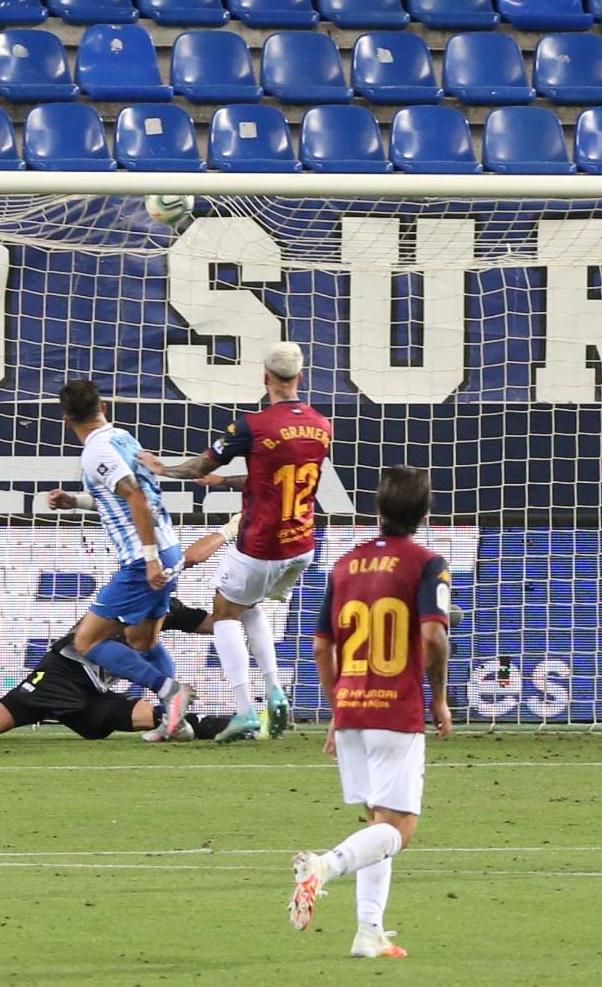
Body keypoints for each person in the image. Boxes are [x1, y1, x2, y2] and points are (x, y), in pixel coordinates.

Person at [0, 517, 242, 746]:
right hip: (59, 675)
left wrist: (245, 607)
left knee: (172, 724)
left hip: (93, 694)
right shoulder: (120, 601)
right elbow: (182, 562)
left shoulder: (164, 606)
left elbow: (214, 623)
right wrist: (231, 528)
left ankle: (244, 723)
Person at [289, 466, 452, 959]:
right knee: (399, 829)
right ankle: (326, 866)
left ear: (378, 511)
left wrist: (337, 705)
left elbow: (321, 646)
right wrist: (439, 697)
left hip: (352, 708)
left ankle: (369, 932)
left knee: (376, 823)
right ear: (425, 514)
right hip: (396, 708)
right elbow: (432, 635)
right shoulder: (426, 563)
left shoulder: (343, 565)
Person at [137, 340, 332, 742]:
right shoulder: (321, 424)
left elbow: (199, 464)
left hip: (263, 544)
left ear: (266, 378)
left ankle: (245, 710)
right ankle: (276, 692)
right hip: (302, 545)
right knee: (249, 605)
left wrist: (163, 468)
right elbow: (277, 478)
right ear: (301, 377)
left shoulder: (252, 426)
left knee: (225, 612)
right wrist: (225, 482)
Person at [43, 379, 198, 740]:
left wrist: (148, 560)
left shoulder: (96, 452)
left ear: (66, 420)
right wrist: (75, 502)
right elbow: (122, 501)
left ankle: (171, 693)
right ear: (104, 408)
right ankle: (176, 721)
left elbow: (138, 499)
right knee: (143, 641)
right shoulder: (123, 439)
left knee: (87, 642)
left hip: (143, 559)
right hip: (168, 548)